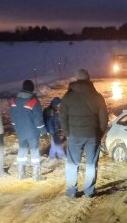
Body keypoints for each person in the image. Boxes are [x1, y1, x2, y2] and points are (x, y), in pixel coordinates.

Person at [59, 69, 108, 198]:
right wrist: (100, 133)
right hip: (92, 135)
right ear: (89, 79)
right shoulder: (97, 96)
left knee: (72, 163)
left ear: (76, 79)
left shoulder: (68, 96)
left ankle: (71, 191)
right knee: (91, 164)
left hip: (74, 135)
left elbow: (62, 117)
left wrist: (67, 133)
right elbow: (104, 118)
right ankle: (89, 191)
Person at [9, 79, 48, 181]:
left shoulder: (14, 101)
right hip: (32, 133)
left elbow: (12, 118)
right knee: (34, 153)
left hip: (20, 132)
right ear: (32, 88)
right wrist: (43, 133)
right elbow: (38, 121)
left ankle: (21, 174)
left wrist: (16, 128)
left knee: (22, 151)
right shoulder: (34, 102)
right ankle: (36, 176)